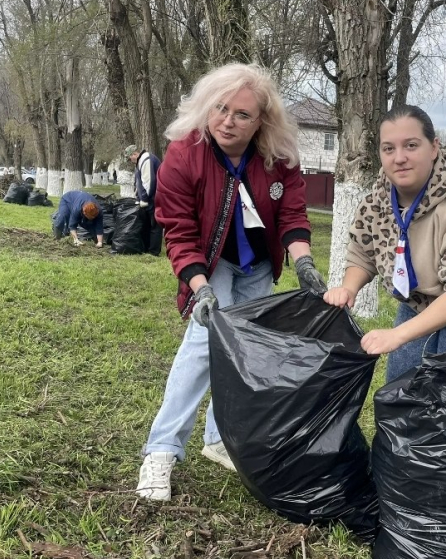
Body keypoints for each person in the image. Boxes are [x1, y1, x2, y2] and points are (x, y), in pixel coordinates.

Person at [136, 63, 328, 501]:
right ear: (207, 107)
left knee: (244, 353)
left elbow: (293, 218)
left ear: (261, 120)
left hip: (258, 265)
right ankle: (162, 449)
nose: (228, 121)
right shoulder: (184, 155)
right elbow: (179, 230)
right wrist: (200, 287)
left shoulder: (278, 158)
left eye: (242, 114)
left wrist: (304, 265)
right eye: (220, 108)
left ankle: (217, 438)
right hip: (211, 261)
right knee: (203, 346)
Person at [324, 105, 446, 382]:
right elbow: (362, 251)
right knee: (401, 388)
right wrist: (349, 288)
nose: (400, 158)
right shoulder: (377, 201)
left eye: (411, 145)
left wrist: (397, 336)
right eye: (388, 149)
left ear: (434, 148)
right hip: (418, 300)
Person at [124, 144, 163, 256]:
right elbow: (139, 182)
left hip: (154, 199)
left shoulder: (146, 160)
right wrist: (137, 196)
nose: (130, 160)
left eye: (130, 157)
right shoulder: (141, 161)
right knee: (147, 224)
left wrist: (144, 199)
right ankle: (147, 248)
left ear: (134, 154)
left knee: (154, 224)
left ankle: (154, 251)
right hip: (149, 199)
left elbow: (149, 182)